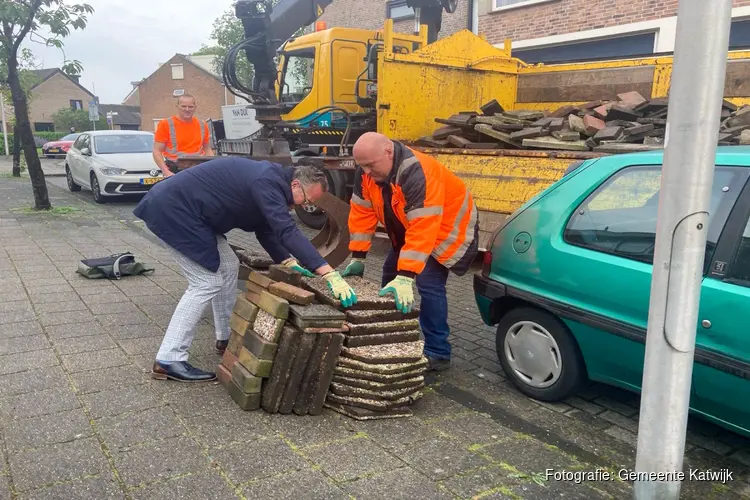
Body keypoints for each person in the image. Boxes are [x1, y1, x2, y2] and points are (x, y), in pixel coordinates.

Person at [133, 157, 357, 382]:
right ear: (296, 185)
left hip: (193, 215)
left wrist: (288, 261)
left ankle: (226, 338)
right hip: (174, 212)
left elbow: (266, 229)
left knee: (229, 265)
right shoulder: (267, 181)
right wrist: (327, 272)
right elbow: (286, 230)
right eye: (306, 200)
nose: (303, 206)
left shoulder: (274, 183)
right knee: (206, 282)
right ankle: (168, 359)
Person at [341, 132, 479, 371]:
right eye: (361, 167)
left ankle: (438, 352)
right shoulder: (367, 172)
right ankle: (393, 334)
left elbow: (424, 226)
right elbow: (362, 213)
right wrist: (359, 256)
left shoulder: (417, 172)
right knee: (389, 274)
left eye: (370, 166)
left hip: (444, 230)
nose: (366, 173)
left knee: (428, 283)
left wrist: (406, 276)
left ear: (388, 152)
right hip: (413, 227)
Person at [153, 94, 214, 177]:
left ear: (195, 107)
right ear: (177, 107)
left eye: (190, 107)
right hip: (175, 170)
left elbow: (207, 148)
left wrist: (213, 167)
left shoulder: (202, 125)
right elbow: (157, 151)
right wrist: (166, 172)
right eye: (183, 106)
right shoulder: (165, 124)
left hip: (198, 169)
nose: (187, 109)